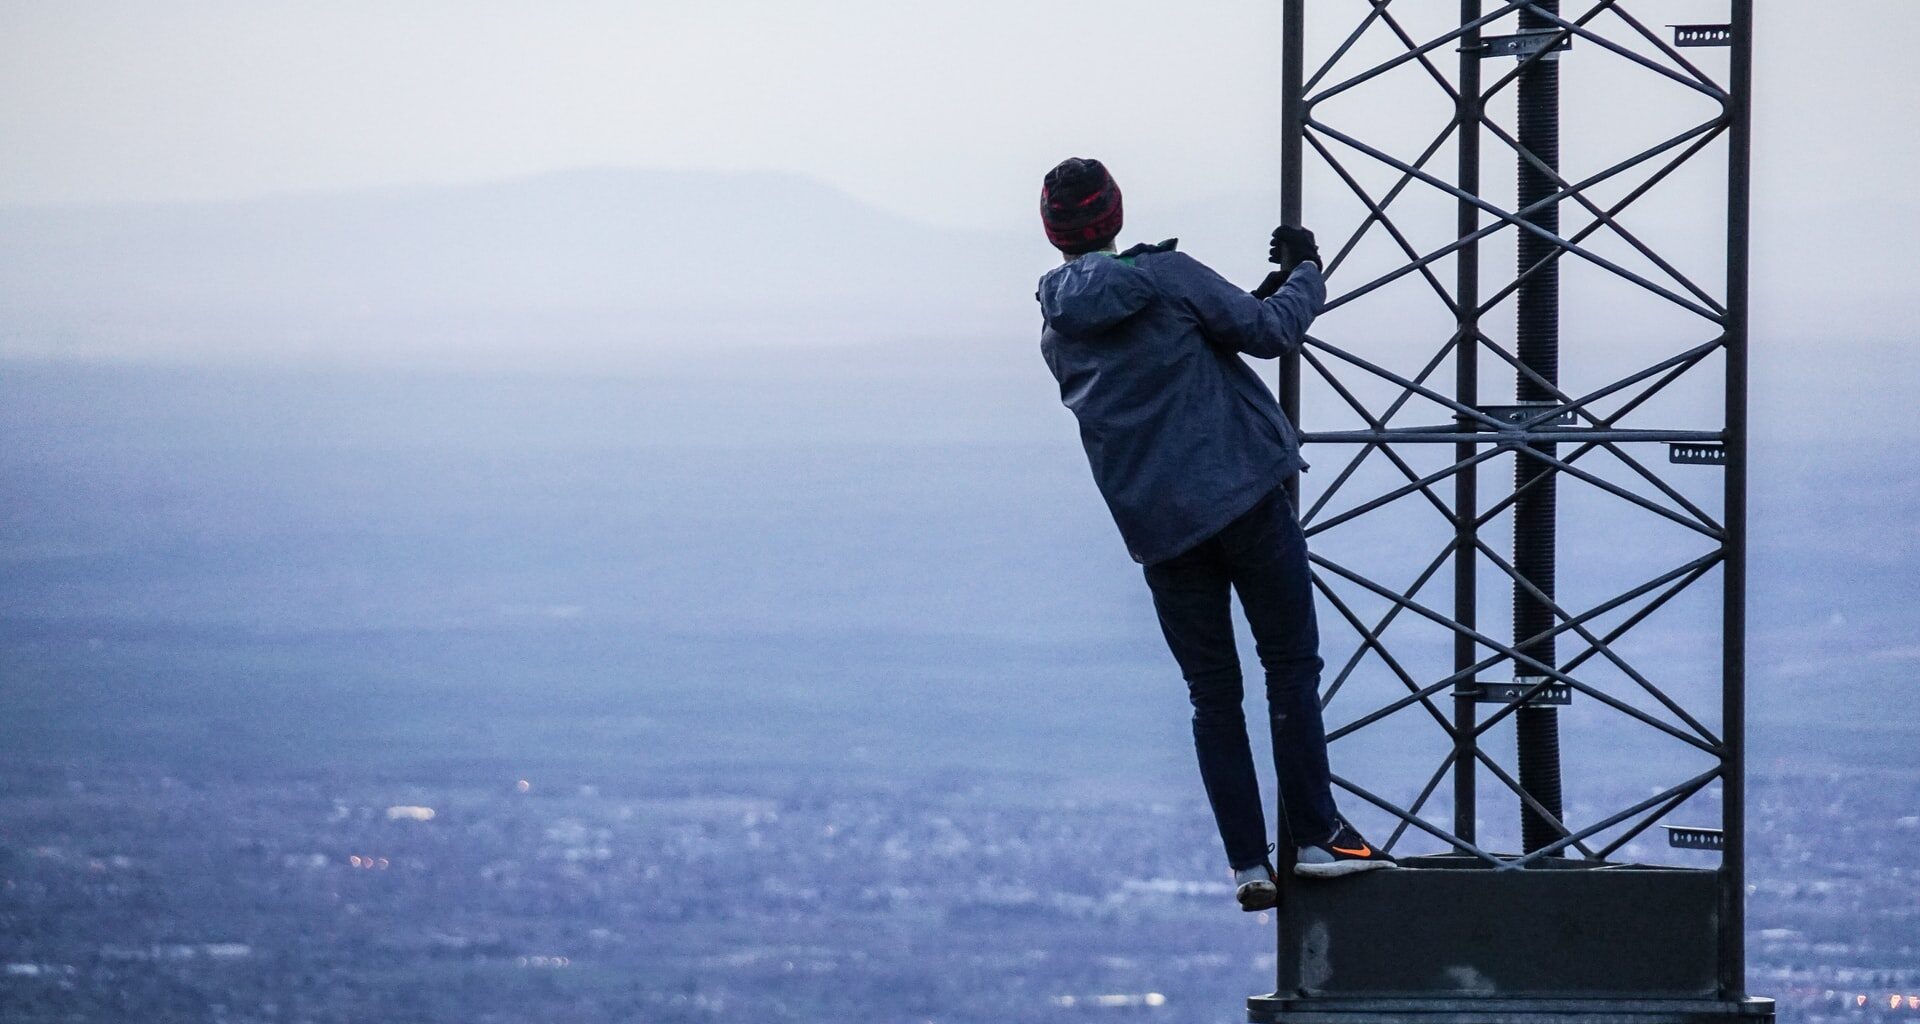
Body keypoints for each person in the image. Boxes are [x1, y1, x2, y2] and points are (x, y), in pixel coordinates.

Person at [1034, 157, 1396, 913]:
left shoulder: (1056, 329)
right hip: (1245, 500)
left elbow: (1168, 359)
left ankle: (1248, 864)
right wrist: (1307, 271)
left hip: (1162, 533)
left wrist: (1240, 301)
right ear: (1116, 214)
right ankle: (1318, 837)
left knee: (1212, 695)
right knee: (1290, 665)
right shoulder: (1166, 275)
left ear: (1054, 233)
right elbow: (1267, 334)